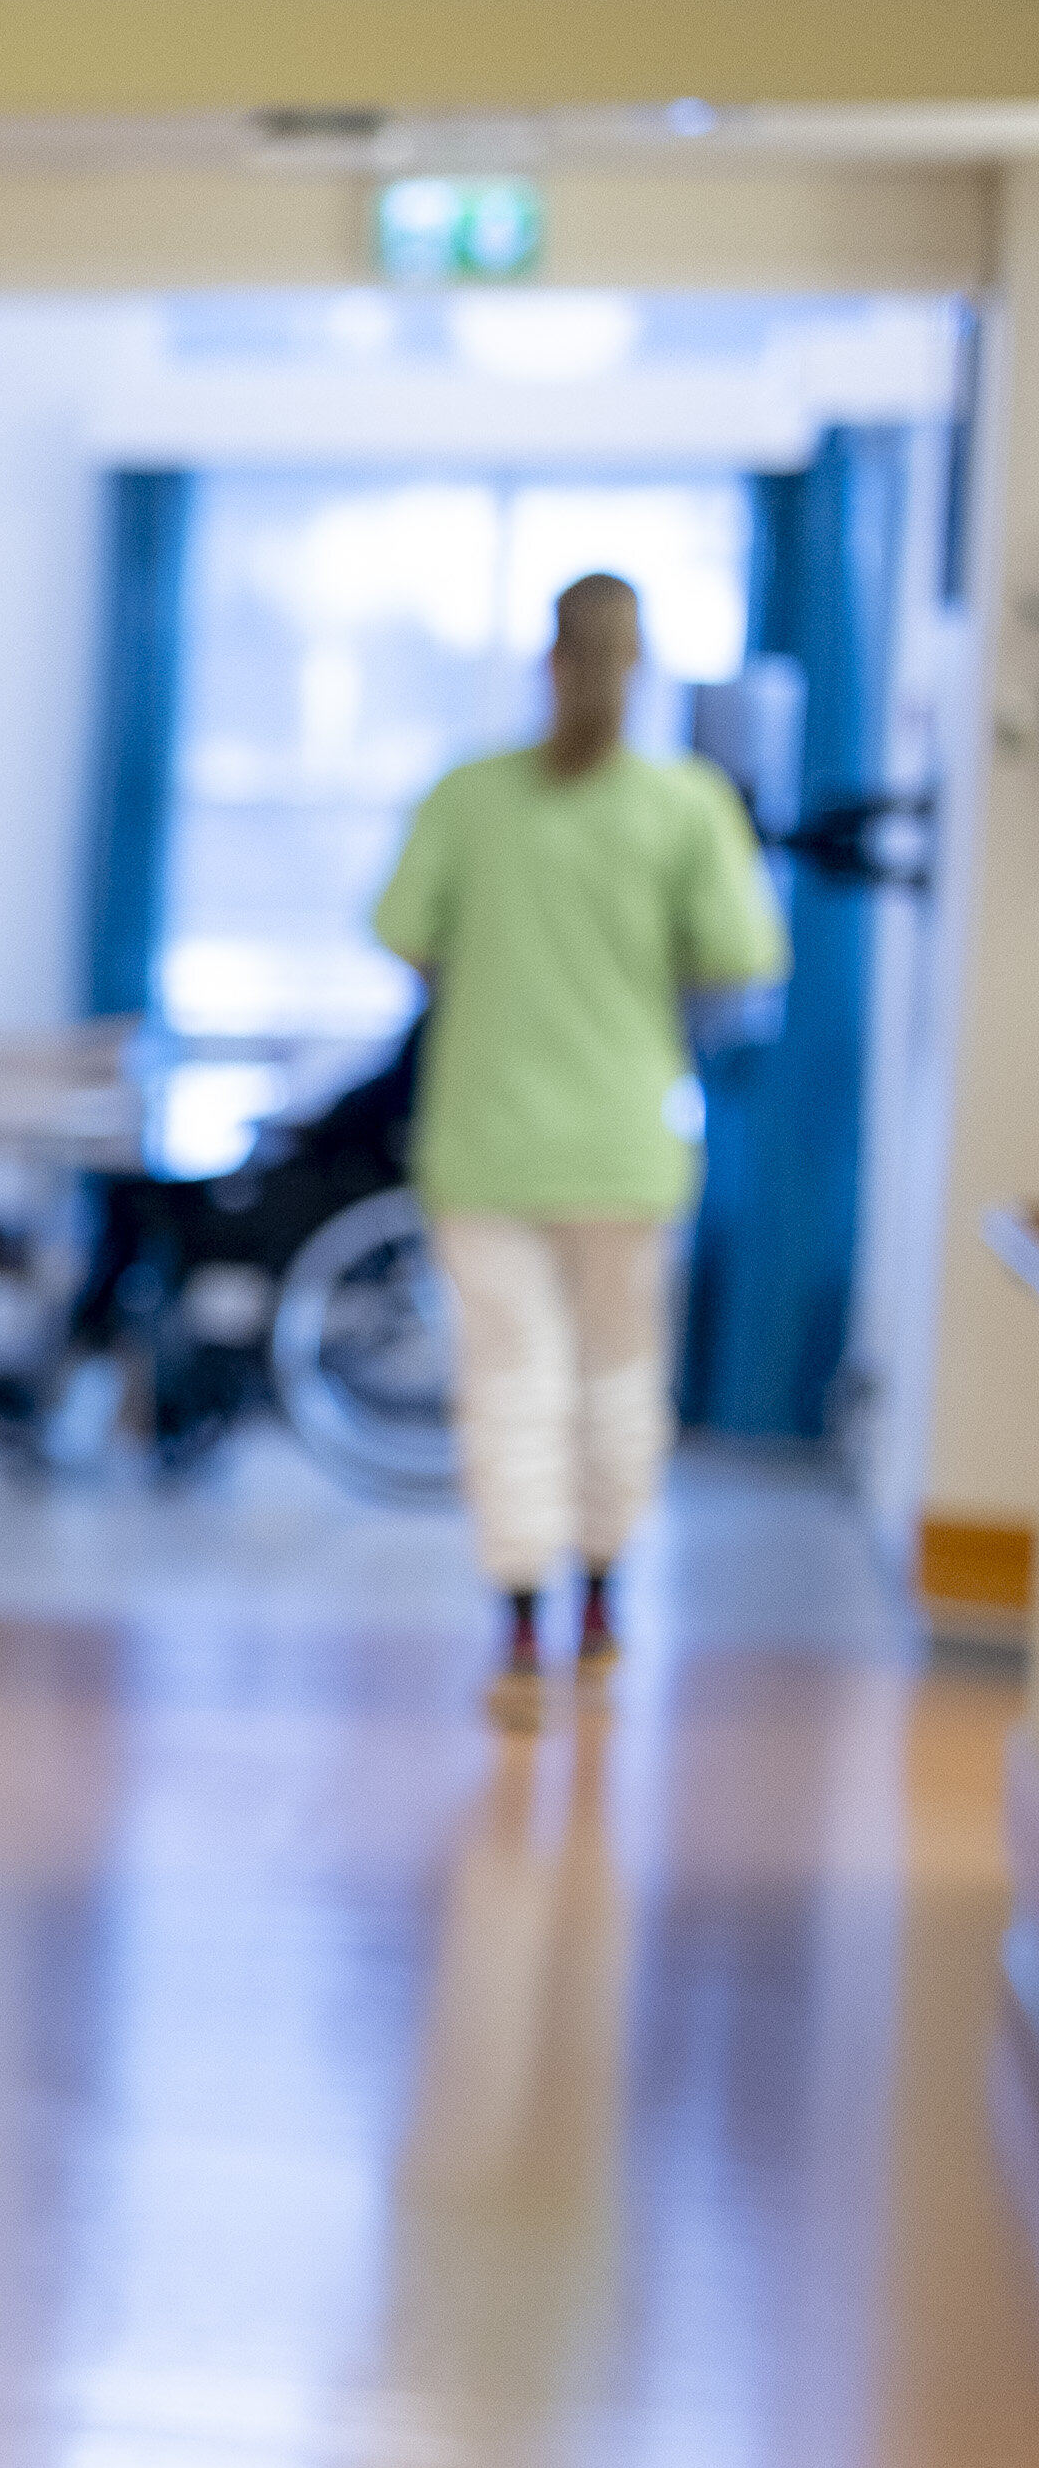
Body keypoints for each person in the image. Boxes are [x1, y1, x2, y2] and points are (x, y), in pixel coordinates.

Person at [370, 570, 786, 1727]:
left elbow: (402, 934)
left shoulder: (470, 797)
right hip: (624, 1147)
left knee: (509, 1382)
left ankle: (517, 1631)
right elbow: (744, 956)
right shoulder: (686, 805)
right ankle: (599, 1611)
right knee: (616, 1380)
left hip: (486, 1143)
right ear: (640, 668)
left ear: (545, 662)